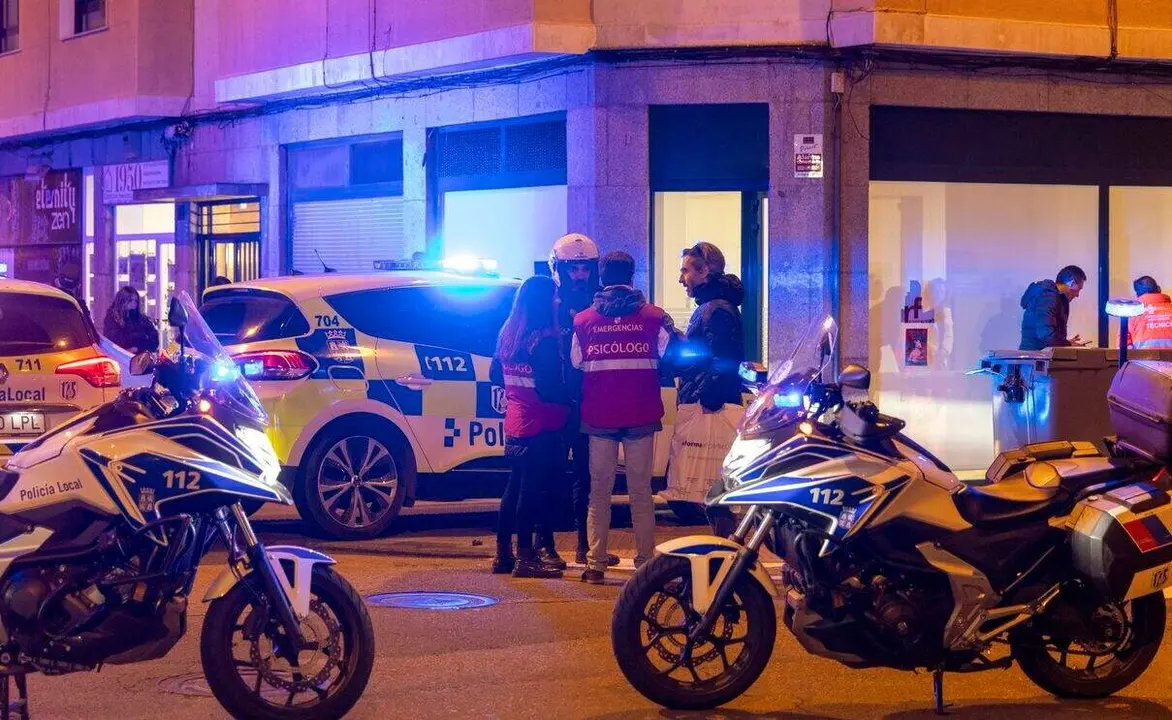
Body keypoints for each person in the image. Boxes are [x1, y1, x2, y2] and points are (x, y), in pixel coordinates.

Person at [572, 251, 676, 584]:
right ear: (632, 276)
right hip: (641, 414)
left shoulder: (583, 321)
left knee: (599, 492)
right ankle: (645, 562)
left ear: (601, 277)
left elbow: (576, 362)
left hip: (599, 415)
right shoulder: (654, 317)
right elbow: (671, 357)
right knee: (641, 492)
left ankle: (596, 564)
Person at [489, 275, 572, 579]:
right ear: (543, 301)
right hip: (541, 423)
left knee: (513, 489)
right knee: (531, 491)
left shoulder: (509, 333)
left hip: (516, 421)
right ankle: (526, 557)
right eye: (554, 296)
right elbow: (549, 387)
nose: (558, 301)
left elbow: (495, 374)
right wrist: (573, 401)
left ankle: (503, 555)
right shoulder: (544, 340)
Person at [547, 232, 617, 569]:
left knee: (588, 477)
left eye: (584, 268)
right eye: (572, 269)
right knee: (549, 474)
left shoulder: (601, 303)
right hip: (556, 402)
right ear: (559, 269)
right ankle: (544, 547)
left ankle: (584, 545)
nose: (579, 275)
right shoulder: (549, 303)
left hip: (589, 401)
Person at [673, 242, 745, 536]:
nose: (681, 279)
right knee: (710, 487)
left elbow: (722, 359)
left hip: (710, 404)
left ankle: (726, 550)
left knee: (713, 486)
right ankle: (725, 548)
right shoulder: (714, 306)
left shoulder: (716, 309)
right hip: (706, 397)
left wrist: (707, 399)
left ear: (705, 272)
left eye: (685, 271)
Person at [1019, 265, 1088, 351]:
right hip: (1036, 356)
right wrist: (1068, 344)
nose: (1077, 295)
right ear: (1072, 283)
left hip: (1035, 355)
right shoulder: (1048, 297)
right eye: (1079, 289)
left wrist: (1066, 342)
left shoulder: (1052, 296)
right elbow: (1046, 334)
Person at [103, 286, 160, 355]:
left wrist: (137, 348)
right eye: (130, 300)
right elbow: (114, 341)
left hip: (139, 356)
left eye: (135, 301)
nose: (134, 304)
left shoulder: (141, 319)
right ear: (122, 301)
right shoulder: (113, 319)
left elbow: (154, 342)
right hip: (120, 356)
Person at [1127, 275, 1172, 349]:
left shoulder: (1132, 313)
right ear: (1158, 289)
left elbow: (1123, 344)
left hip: (1142, 356)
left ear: (1138, 294)